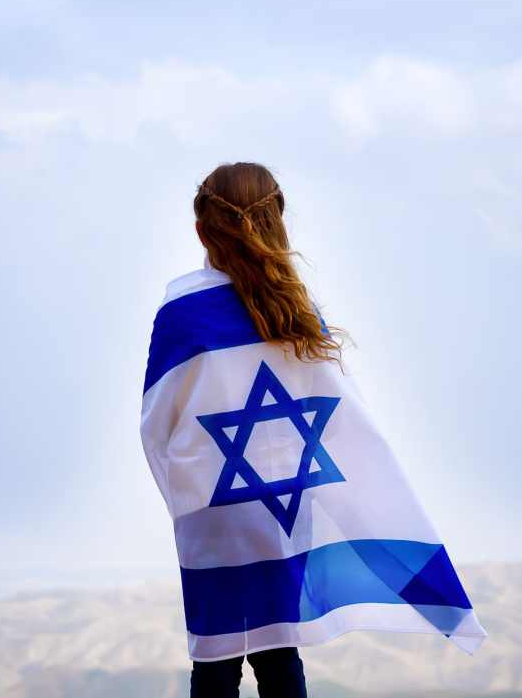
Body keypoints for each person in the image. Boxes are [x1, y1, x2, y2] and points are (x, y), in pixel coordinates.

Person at [140, 162, 486, 698]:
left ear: (201, 230)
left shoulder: (181, 310)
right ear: (278, 221)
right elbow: (339, 411)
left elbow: (157, 424)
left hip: (215, 506)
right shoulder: (295, 306)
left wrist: (183, 497)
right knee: (279, 652)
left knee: (216, 656)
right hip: (285, 502)